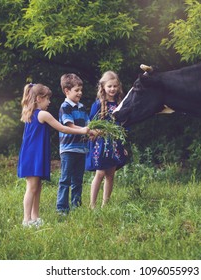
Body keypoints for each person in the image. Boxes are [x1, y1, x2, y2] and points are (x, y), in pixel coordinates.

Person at [18, 83, 90, 228]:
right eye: (47, 99)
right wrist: (83, 130)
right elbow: (63, 128)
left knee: (37, 187)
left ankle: (35, 217)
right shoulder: (42, 114)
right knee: (32, 187)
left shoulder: (30, 113)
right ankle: (26, 220)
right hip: (33, 155)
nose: (50, 102)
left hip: (36, 154)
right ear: (39, 98)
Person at [85, 71, 128, 209]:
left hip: (116, 143)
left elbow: (124, 125)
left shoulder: (120, 104)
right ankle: (92, 204)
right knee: (100, 173)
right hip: (101, 143)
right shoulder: (98, 105)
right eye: (109, 86)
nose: (112, 89)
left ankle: (105, 204)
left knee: (110, 174)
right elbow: (91, 124)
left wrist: (124, 145)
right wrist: (97, 132)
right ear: (103, 87)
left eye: (115, 86)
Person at [56, 73, 91, 214]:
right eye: (77, 90)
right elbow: (69, 125)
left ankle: (76, 206)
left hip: (81, 149)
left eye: (81, 90)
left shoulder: (81, 107)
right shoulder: (65, 107)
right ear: (67, 91)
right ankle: (62, 208)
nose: (80, 93)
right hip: (68, 149)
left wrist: (93, 131)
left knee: (78, 179)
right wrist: (85, 130)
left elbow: (88, 124)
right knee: (65, 179)